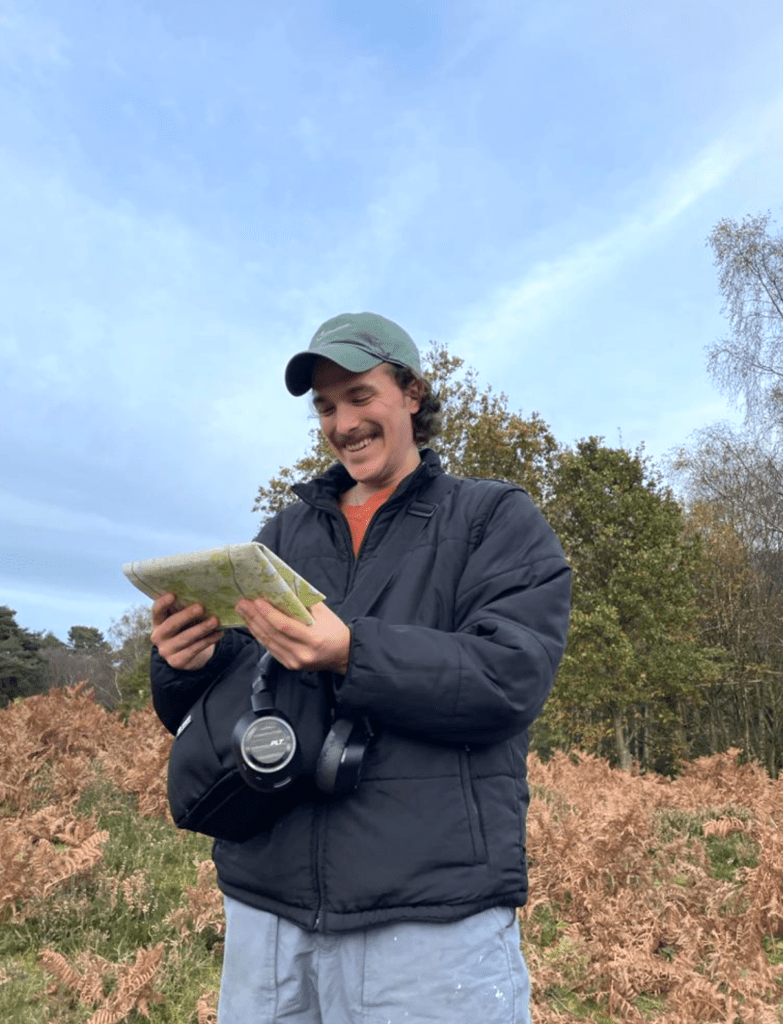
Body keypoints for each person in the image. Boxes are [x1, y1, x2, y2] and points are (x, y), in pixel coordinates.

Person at [150, 311, 571, 1024]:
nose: (341, 423)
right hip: (268, 912)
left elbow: (509, 677)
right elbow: (234, 700)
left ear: (411, 392)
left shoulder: (490, 519)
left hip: (426, 917)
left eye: (359, 396)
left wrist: (352, 652)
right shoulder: (283, 534)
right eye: (324, 406)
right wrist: (183, 664)